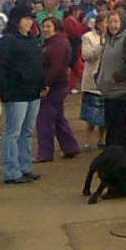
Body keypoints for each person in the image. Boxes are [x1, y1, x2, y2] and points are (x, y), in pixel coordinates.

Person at [0, 6, 44, 185]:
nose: (29, 22)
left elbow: (38, 65)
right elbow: (0, 68)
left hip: (33, 93)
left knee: (27, 132)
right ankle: (11, 171)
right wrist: (4, 92)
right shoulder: (7, 41)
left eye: (31, 19)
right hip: (16, 94)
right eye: (25, 19)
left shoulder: (32, 40)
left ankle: (25, 167)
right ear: (16, 21)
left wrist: (41, 84)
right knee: (12, 133)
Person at [35, 18, 81, 163]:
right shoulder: (56, 42)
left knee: (45, 120)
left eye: (49, 26)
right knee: (58, 117)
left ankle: (45, 153)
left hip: (54, 87)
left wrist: (46, 85)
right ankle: (70, 147)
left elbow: (56, 68)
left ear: (56, 28)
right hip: (58, 85)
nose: (45, 29)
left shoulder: (57, 45)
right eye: (44, 26)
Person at [98, 8, 126, 156]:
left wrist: (117, 77)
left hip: (123, 90)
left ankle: (121, 157)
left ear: (123, 22)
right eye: (110, 22)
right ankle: (115, 156)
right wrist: (99, 76)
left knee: (117, 127)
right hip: (108, 90)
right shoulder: (109, 39)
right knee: (112, 127)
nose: (112, 25)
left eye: (116, 21)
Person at [79, 12, 107, 150]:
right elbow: (87, 56)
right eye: (104, 22)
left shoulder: (114, 38)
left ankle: (101, 139)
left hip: (106, 81)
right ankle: (87, 141)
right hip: (92, 80)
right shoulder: (88, 37)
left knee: (104, 115)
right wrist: (101, 44)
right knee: (92, 115)